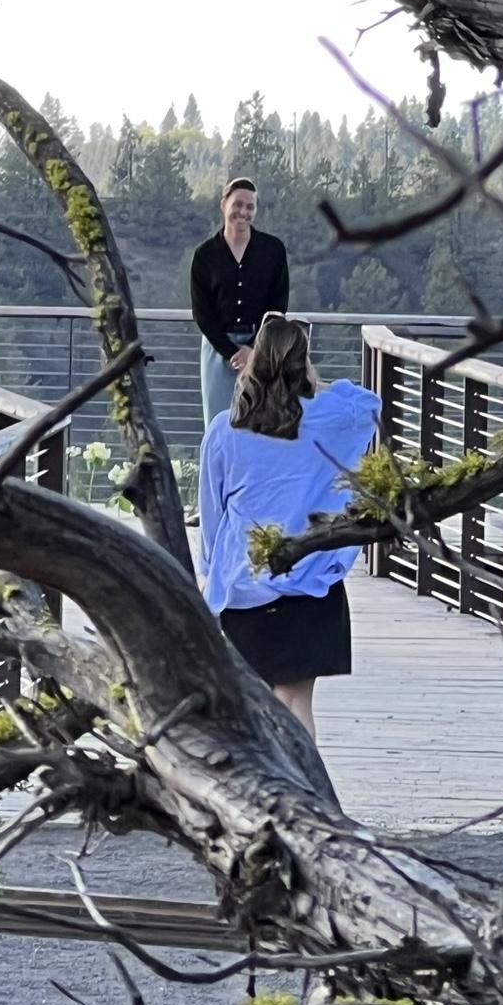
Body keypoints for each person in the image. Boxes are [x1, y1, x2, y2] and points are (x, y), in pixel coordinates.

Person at [198, 314, 380, 740]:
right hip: (312, 580)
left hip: (245, 584)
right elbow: (369, 401)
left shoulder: (225, 431)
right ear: (304, 363)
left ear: (254, 362)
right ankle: (306, 792)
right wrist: (315, 388)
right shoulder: (333, 420)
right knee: (297, 701)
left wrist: (212, 572)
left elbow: (212, 514)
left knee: (253, 703)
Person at [189, 177, 288, 432]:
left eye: (250, 207)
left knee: (260, 426)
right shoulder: (205, 255)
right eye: (238, 205)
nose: (243, 212)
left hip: (263, 347)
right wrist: (232, 352)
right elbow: (202, 313)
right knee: (218, 426)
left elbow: (278, 306)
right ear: (224, 204)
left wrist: (253, 349)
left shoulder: (273, 250)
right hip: (217, 349)